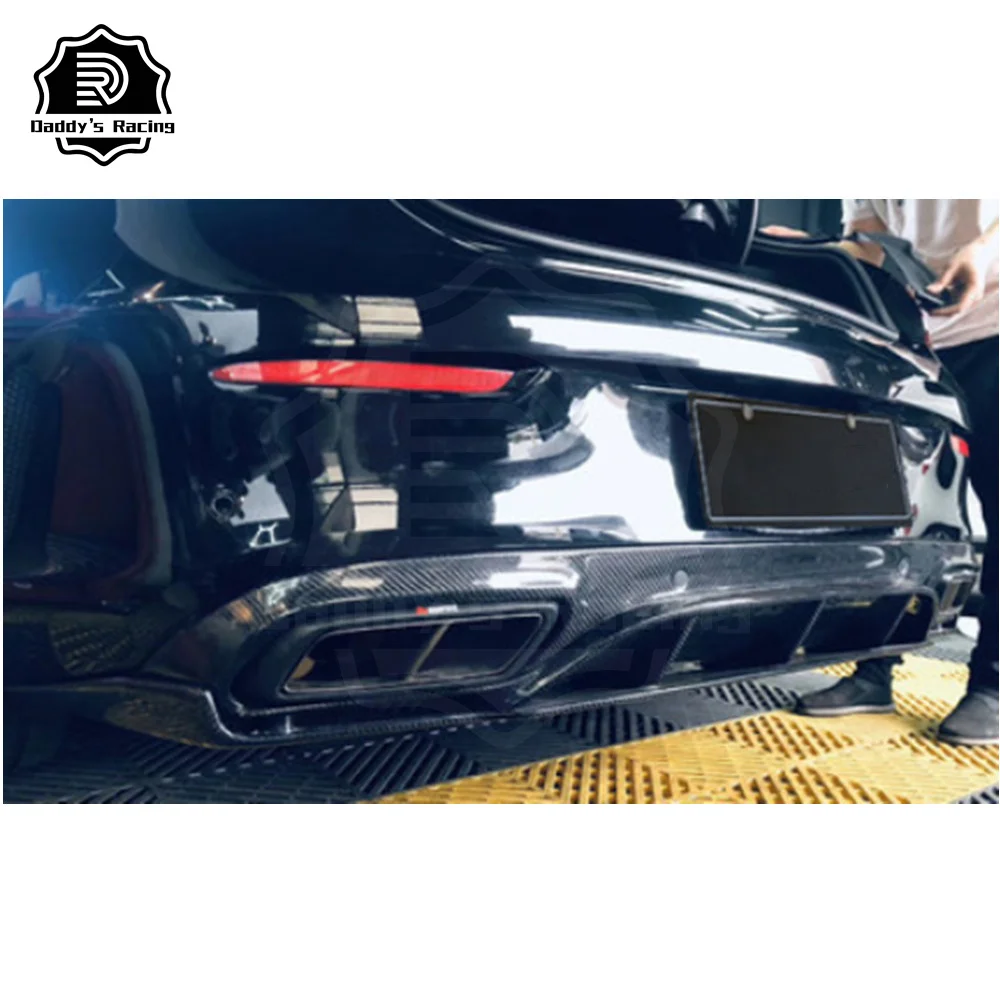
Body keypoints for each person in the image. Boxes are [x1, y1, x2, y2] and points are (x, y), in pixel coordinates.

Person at [794, 200, 998, 746]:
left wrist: (982, 251)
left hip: (996, 323)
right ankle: (874, 670)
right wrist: (811, 250)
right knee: (896, 507)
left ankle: (994, 686)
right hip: (921, 343)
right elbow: (872, 241)